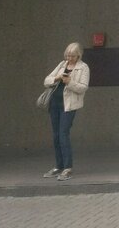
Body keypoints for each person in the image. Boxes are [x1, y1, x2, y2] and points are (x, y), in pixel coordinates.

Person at [42, 42, 89, 181]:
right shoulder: (62, 64)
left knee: (63, 134)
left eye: (72, 56)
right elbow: (46, 81)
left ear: (78, 55)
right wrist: (57, 78)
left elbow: (83, 87)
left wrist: (69, 82)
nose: (69, 58)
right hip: (54, 103)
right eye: (68, 55)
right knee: (56, 135)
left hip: (69, 105)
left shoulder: (83, 67)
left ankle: (68, 168)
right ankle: (59, 166)